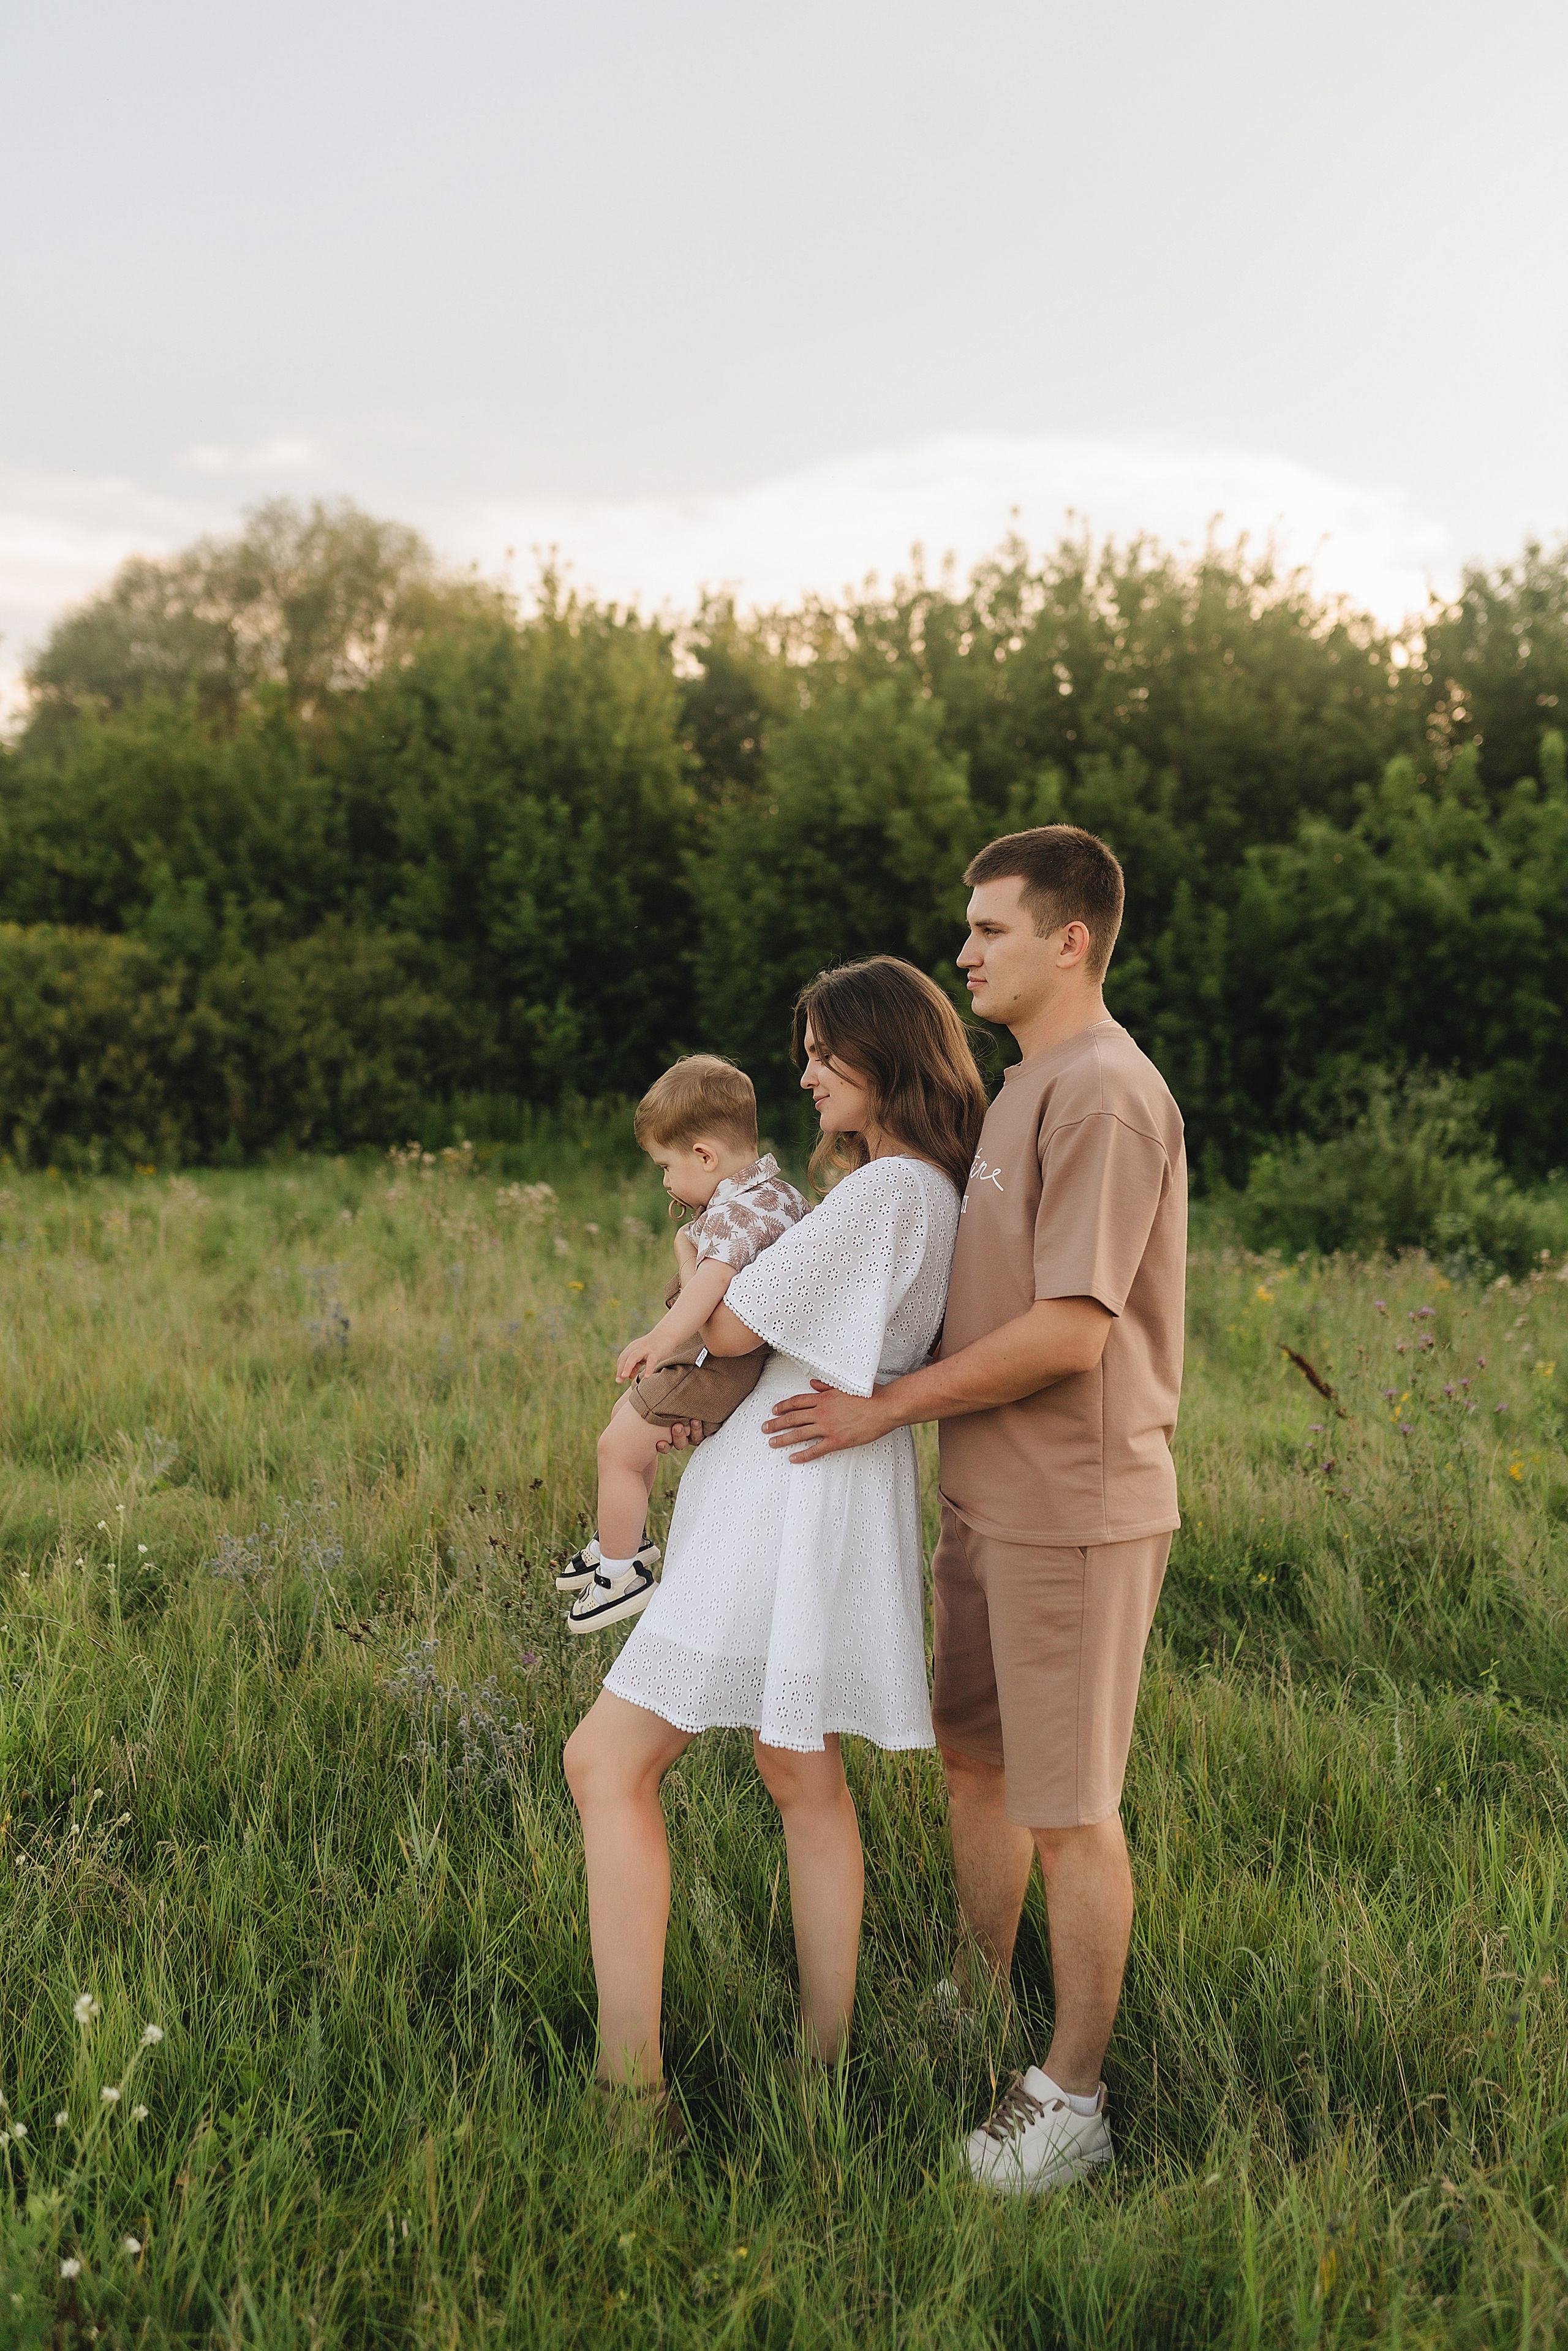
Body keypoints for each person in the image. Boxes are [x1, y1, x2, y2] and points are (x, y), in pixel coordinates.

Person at [763, 825, 1186, 2197]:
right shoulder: (1021, 1088)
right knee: (978, 1762)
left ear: (1070, 939)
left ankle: (1071, 2093)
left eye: (989, 929)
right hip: (987, 1500)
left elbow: (1069, 1328)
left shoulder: (1105, 1093)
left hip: (1075, 1505)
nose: (962, 952)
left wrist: (881, 1409)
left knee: (1068, 1805)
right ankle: (977, 1989)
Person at [563, 957, 985, 2127]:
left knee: (605, 1763)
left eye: (820, 1051)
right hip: (818, 1479)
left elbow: (742, 1318)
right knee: (800, 1770)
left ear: (882, 1053)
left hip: (784, 1494)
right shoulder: (924, 1189)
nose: (803, 1074)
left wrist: (698, 1271)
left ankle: (629, 2085)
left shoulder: (889, 1192)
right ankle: (821, 2061)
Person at [554, 1054, 809, 1633]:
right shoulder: (779, 1197)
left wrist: (658, 1335)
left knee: (617, 1448)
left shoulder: (731, 1217)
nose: (666, 1182)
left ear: (704, 1156)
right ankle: (623, 1541)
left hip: (710, 1362)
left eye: (666, 1166)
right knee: (628, 1422)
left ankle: (620, 1574)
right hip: (724, 1361)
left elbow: (712, 1290)